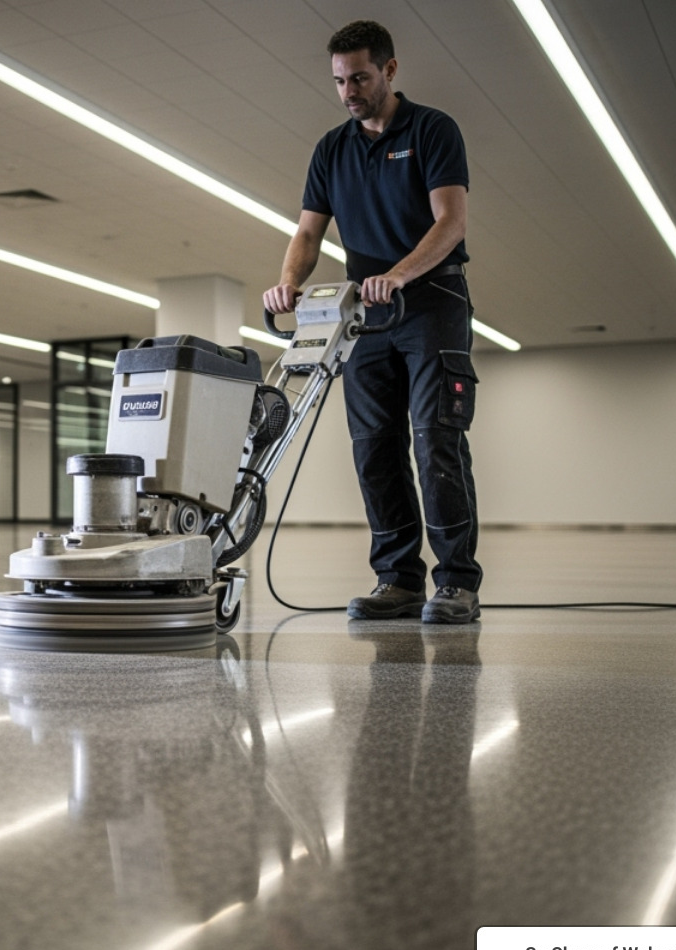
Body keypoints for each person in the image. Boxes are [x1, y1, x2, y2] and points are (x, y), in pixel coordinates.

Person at [263, 19, 482, 625]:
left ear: (389, 69)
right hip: (366, 317)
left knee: (437, 439)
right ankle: (399, 578)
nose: (348, 90)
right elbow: (309, 230)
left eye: (359, 76)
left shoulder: (433, 129)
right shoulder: (331, 149)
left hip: (432, 301)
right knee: (373, 449)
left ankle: (457, 583)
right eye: (338, 80)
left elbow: (451, 221)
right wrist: (290, 282)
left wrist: (402, 273)